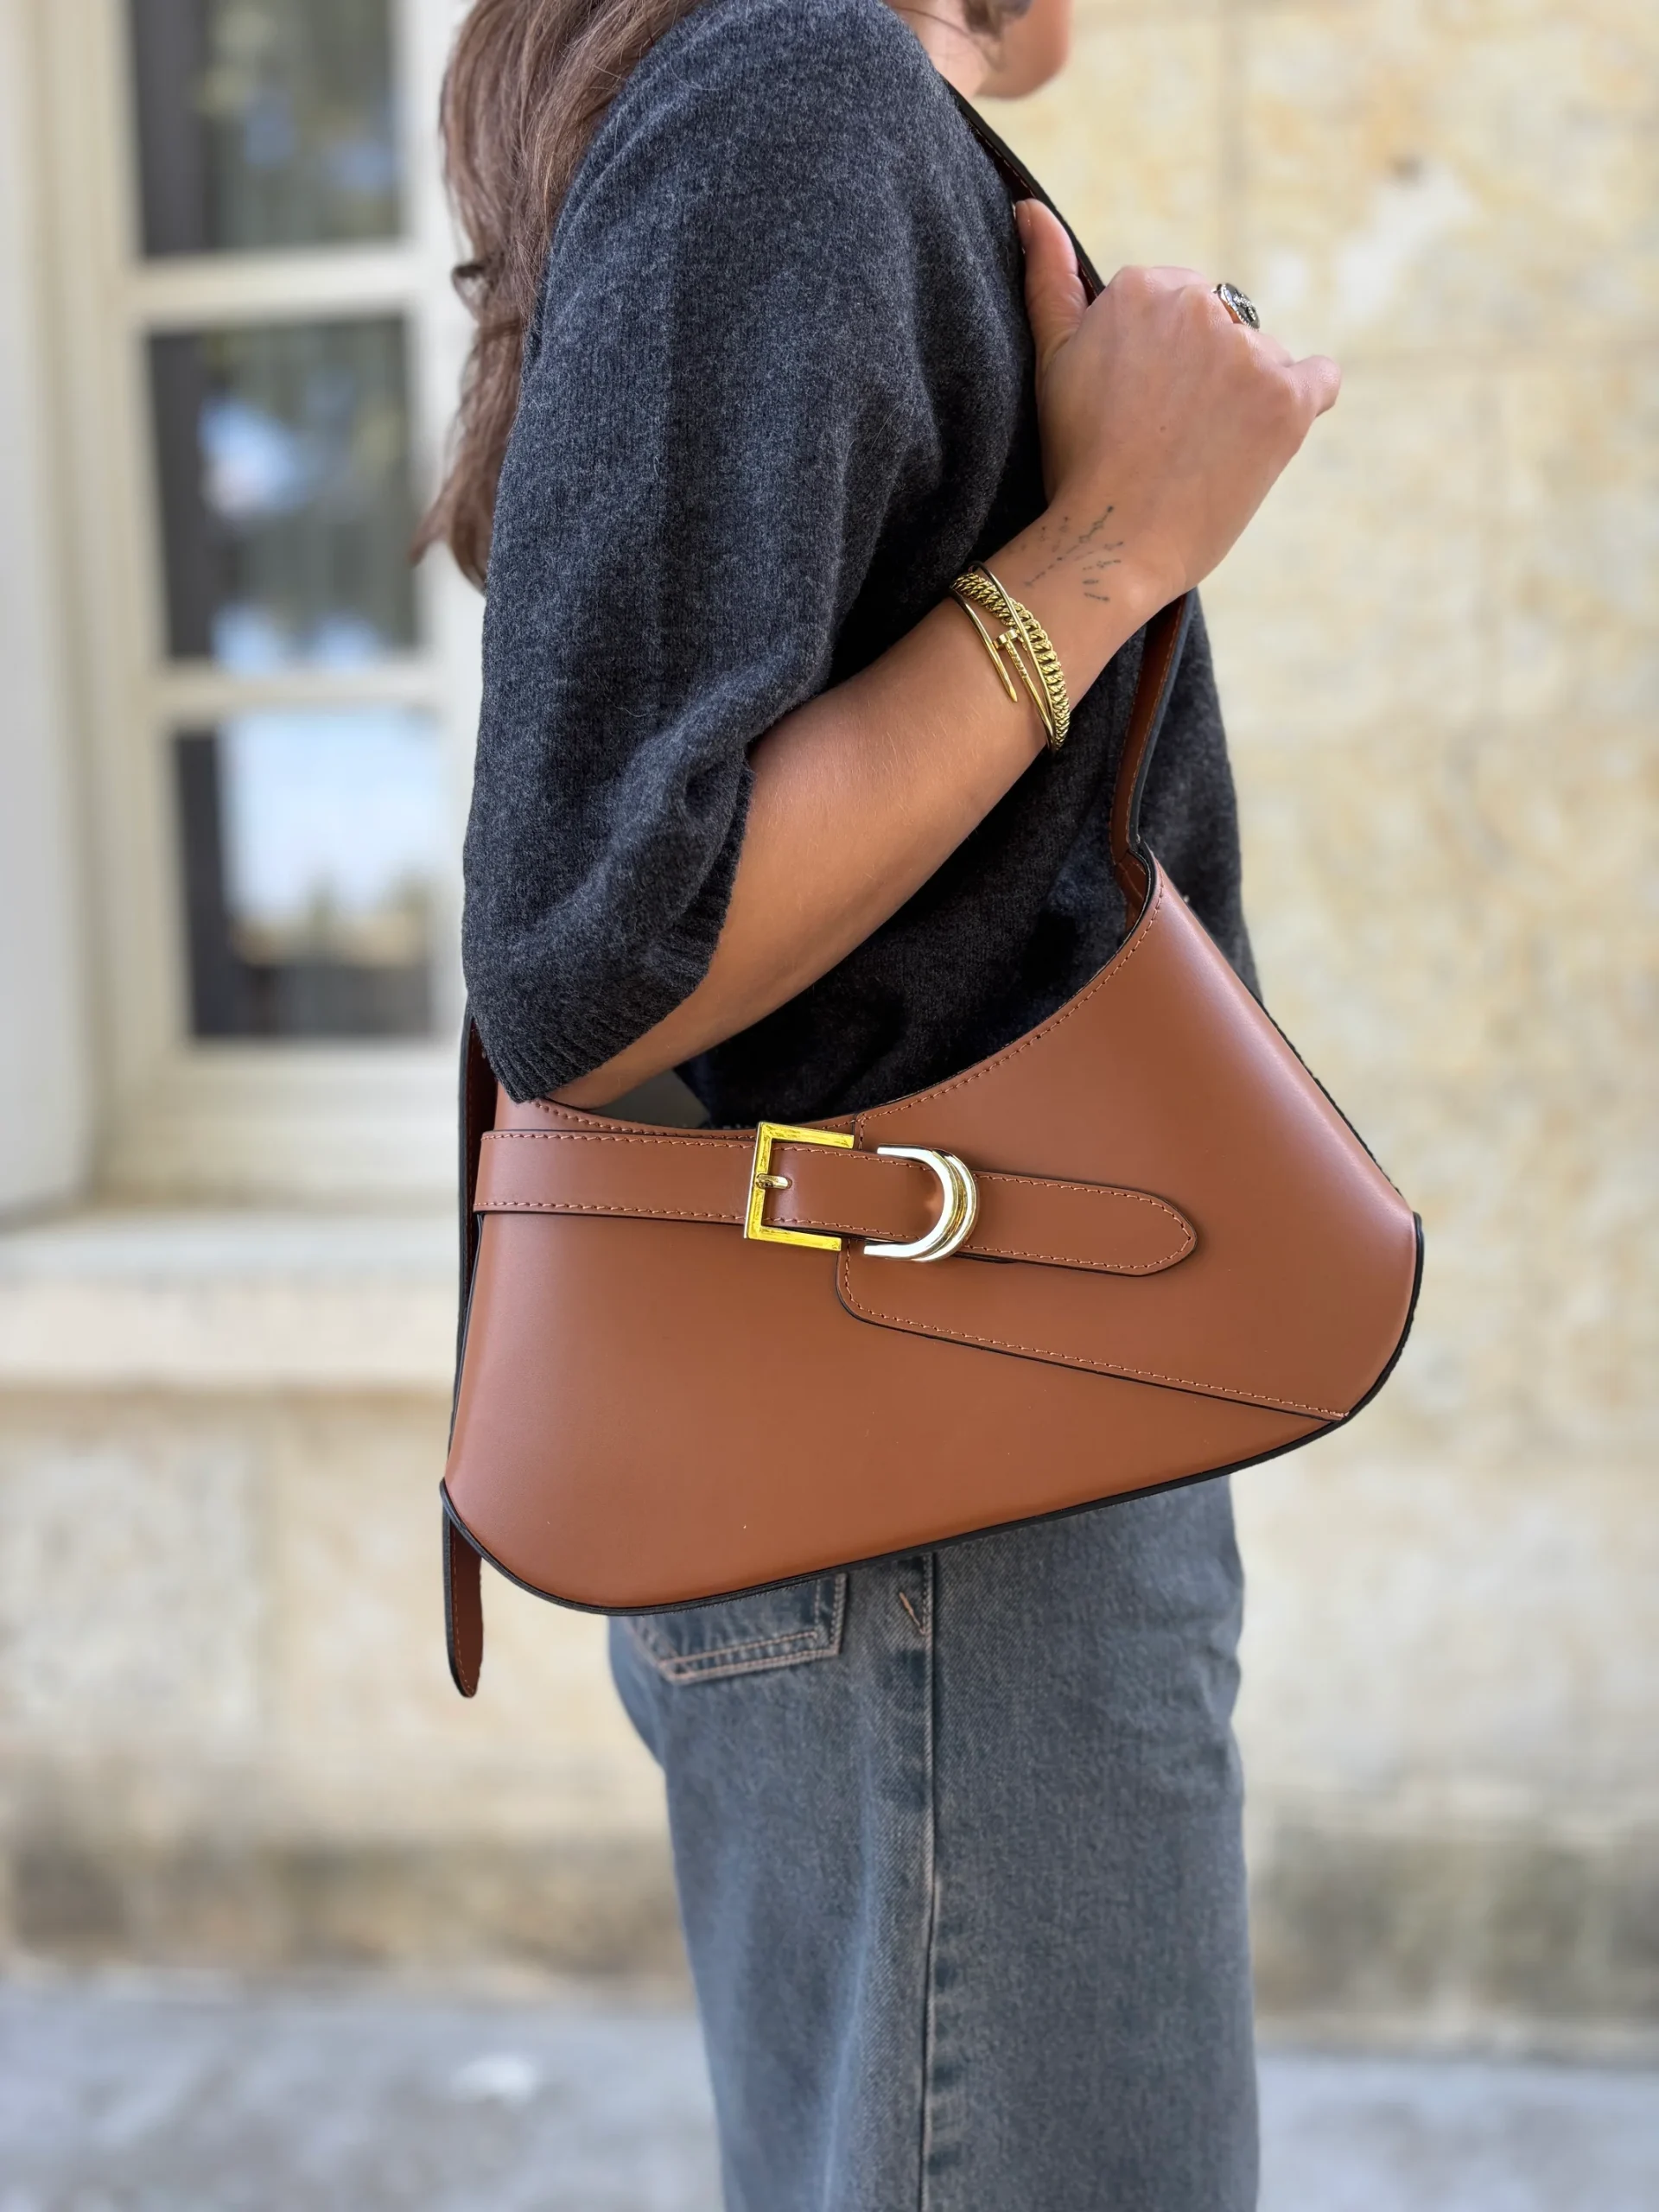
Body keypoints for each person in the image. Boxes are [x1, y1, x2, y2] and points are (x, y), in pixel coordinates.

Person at [424, 0, 1339, 2202]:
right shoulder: (797, 84)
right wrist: (1108, 549)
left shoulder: (778, 95)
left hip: (926, 1473)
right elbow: (596, 952)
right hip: (941, 1491)